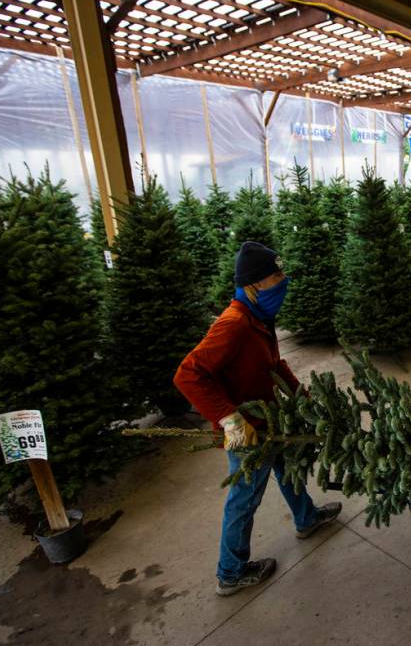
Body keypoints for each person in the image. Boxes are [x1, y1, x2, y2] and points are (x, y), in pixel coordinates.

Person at [174, 242, 342, 597]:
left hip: (269, 419)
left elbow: (275, 365)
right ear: (252, 286)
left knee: (286, 466)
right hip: (245, 429)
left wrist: (303, 399)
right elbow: (188, 375)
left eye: (281, 273)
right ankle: (231, 572)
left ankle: (306, 518)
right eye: (275, 276)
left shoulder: (259, 319)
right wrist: (230, 420)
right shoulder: (233, 324)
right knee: (245, 497)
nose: (283, 281)